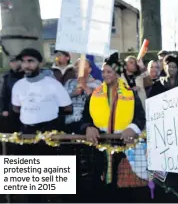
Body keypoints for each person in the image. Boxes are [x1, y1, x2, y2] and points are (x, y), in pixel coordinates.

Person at [80, 52, 147, 202]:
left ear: (117, 73)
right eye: (103, 71)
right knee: (100, 186)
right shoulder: (93, 95)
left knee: (123, 187)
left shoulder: (130, 94)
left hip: (124, 147)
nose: (105, 75)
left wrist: (132, 128)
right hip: (99, 147)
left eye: (109, 71)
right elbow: (84, 118)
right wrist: (88, 127)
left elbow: (141, 118)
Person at [12, 48, 73, 134]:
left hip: (50, 131)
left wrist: (47, 114)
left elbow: (68, 108)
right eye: (23, 61)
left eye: (30, 61)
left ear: (41, 63)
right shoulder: (18, 85)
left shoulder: (53, 84)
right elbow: (16, 108)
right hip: (26, 131)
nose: (26, 65)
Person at [64, 58, 101, 133]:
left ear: (90, 69)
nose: (77, 68)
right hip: (70, 120)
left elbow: (98, 100)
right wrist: (73, 93)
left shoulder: (97, 83)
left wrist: (85, 86)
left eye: (81, 65)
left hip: (89, 122)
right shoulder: (69, 82)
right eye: (76, 66)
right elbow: (62, 99)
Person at [0, 55, 24, 132]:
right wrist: (4, 109)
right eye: (12, 62)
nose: (14, 64)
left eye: (16, 61)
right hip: (12, 109)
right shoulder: (7, 77)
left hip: (27, 107)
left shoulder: (27, 75)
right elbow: (4, 95)